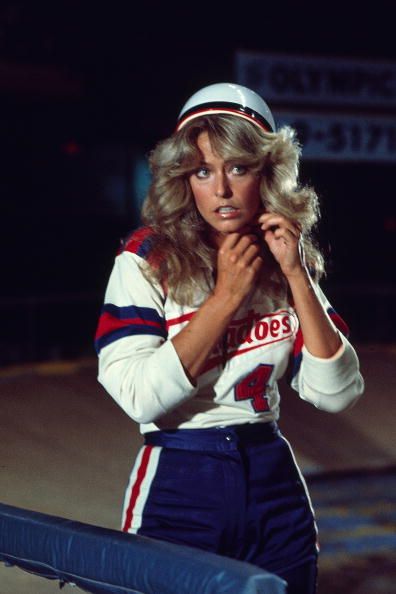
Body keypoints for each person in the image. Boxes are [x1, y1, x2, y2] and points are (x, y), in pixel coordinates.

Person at [95, 82, 364, 594]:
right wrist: (225, 299)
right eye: (203, 171)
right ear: (184, 179)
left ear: (267, 173)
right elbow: (138, 396)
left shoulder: (285, 257)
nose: (220, 189)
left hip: (272, 474)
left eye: (238, 168)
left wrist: (296, 276)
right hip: (178, 473)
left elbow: (337, 394)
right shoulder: (146, 258)